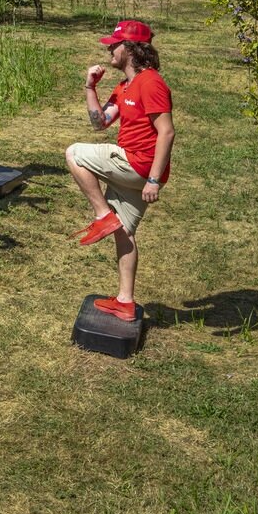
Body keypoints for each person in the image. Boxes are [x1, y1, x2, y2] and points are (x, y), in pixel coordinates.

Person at [65, 20, 175, 322]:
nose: (108, 49)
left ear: (130, 48)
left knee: (74, 153)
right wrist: (90, 87)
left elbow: (166, 132)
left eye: (114, 44)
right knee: (124, 232)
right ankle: (125, 301)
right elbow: (100, 123)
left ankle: (102, 216)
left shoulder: (150, 82)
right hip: (137, 168)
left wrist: (152, 179)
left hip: (139, 165)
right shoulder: (125, 85)